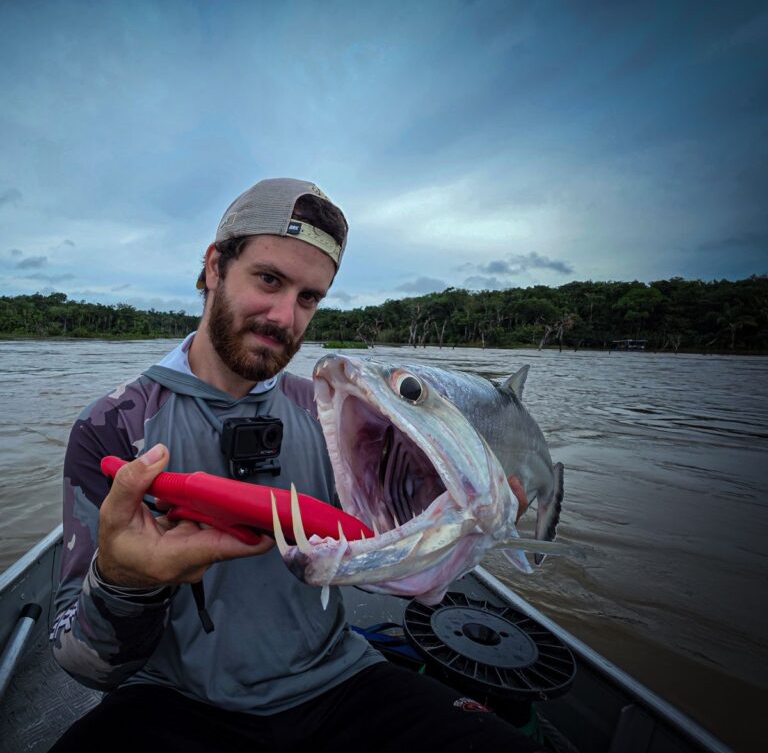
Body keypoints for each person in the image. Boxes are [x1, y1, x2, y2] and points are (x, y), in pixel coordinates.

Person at [49, 178, 541, 752]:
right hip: (173, 696)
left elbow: (401, 576)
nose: (285, 317)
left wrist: (458, 535)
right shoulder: (113, 424)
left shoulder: (340, 417)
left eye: (309, 298)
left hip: (337, 680)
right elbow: (82, 661)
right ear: (215, 267)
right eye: (269, 279)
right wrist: (126, 581)